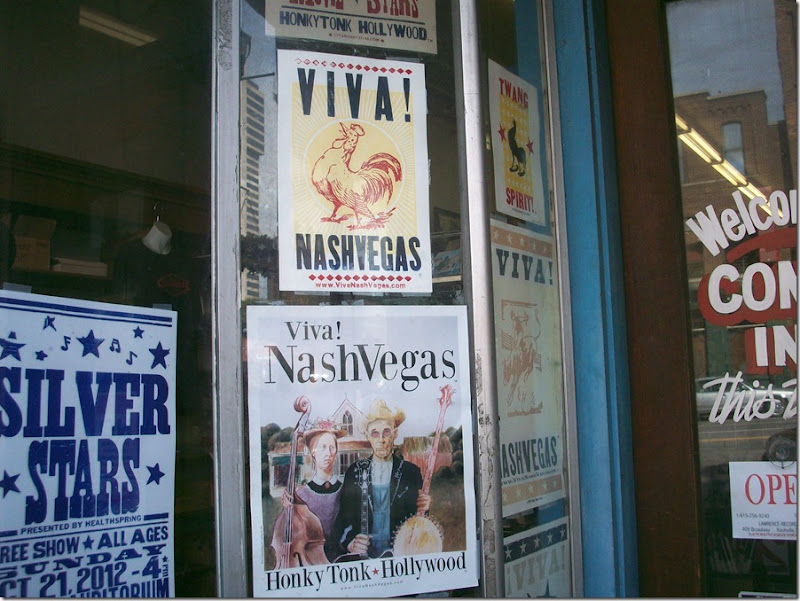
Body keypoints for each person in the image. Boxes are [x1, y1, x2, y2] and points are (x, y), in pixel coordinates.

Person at [332, 399, 430, 559]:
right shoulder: (355, 472)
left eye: (386, 432)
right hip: (365, 557)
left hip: (399, 554)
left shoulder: (410, 472)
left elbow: (417, 521)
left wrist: (424, 507)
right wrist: (350, 542)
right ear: (367, 436)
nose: (381, 439)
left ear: (395, 434)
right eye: (375, 433)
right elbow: (344, 519)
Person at [282, 419, 346, 563]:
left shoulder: (346, 490)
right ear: (312, 452)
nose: (328, 453)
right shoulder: (300, 496)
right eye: (322, 447)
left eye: (332, 447)